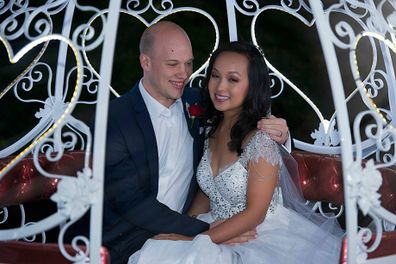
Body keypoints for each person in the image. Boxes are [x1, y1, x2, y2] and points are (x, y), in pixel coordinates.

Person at [128, 41, 344, 264]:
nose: (220, 87)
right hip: (216, 226)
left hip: (258, 234)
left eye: (233, 79)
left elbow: (255, 214)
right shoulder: (211, 129)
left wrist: (195, 239)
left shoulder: (261, 141)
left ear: (252, 86)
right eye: (215, 76)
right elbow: (208, 190)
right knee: (159, 250)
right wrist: (186, 226)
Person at [103, 21, 289, 263]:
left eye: (188, 63)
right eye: (172, 64)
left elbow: (249, 125)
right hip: (132, 236)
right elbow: (130, 201)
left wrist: (282, 136)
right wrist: (200, 232)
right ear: (145, 62)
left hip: (235, 234)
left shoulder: (201, 104)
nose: (184, 74)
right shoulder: (115, 118)